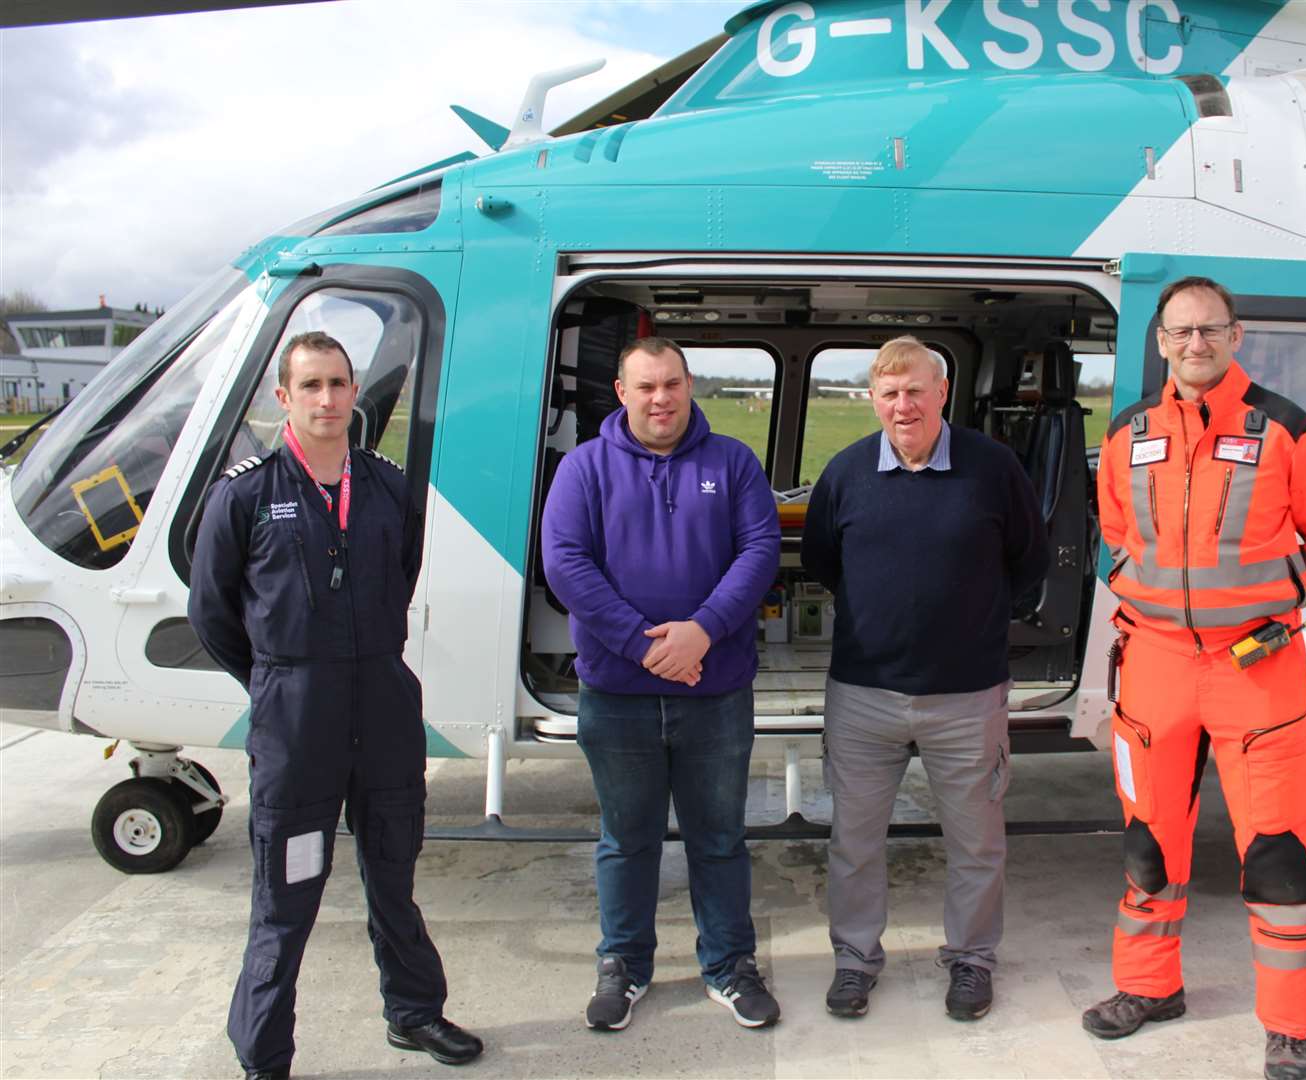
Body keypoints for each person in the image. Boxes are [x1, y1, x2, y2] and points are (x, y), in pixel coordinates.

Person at [188, 332, 482, 1080]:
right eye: (310, 385)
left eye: (339, 385)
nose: (327, 400)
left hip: (382, 704)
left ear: (357, 395)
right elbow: (211, 612)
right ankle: (264, 1056)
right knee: (286, 897)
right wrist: (277, 680)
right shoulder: (245, 493)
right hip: (296, 718)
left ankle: (414, 1013)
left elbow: (399, 577)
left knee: (394, 874)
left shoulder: (389, 487)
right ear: (283, 398)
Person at [1083, 278, 1306, 1080]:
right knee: (1147, 843)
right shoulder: (1129, 432)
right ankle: (1148, 988)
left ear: (1236, 337)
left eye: (1210, 330)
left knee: (1279, 853)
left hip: (1257, 666)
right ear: (1160, 342)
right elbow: (1113, 534)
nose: (1195, 344)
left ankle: (1288, 1029)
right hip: (1156, 667)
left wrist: (1266, 599)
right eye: (1181, 332)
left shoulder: (1289, 432)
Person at [801, 335, 1048, 1023]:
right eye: (889, 392)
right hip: (863, 695)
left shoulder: (993, 469)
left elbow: (1029, 561)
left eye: (916, 390)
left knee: (976, 843)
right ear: (873, 399)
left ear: (943, 392)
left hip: (967, 696)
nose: (903, 404)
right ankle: (854, 962)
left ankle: (971, 961)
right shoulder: (845, 473)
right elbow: (825, 560)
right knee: (854, 842)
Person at [540, 337, 783, 1031]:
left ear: (690, 383)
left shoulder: (733, 462)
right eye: (646, 386)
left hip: (717, 691)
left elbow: (759, 550)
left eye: (672, 383)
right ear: (621, 391)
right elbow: (565, 564)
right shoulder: (584, 469)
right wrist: (644, 647)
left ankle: (730, 965)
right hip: (617, 695)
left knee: (719, 837)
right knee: (626, 838)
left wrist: (702, 631)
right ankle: (624, 965)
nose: (661, 399)